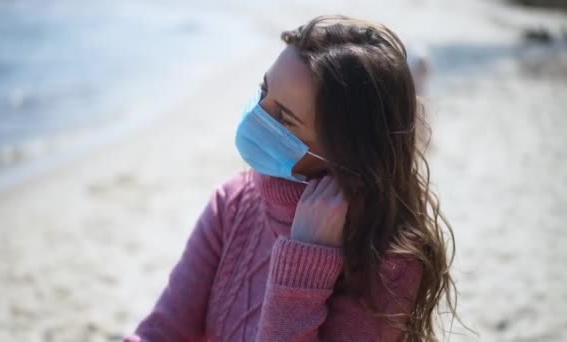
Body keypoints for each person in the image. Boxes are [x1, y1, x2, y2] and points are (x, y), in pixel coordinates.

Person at [124, 15, 460, 342]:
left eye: (283, 118)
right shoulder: (233, 200)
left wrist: (304, 262)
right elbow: (160, 331)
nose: (257, 116)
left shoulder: (390, 263)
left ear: (345, 150)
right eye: (263, 90)